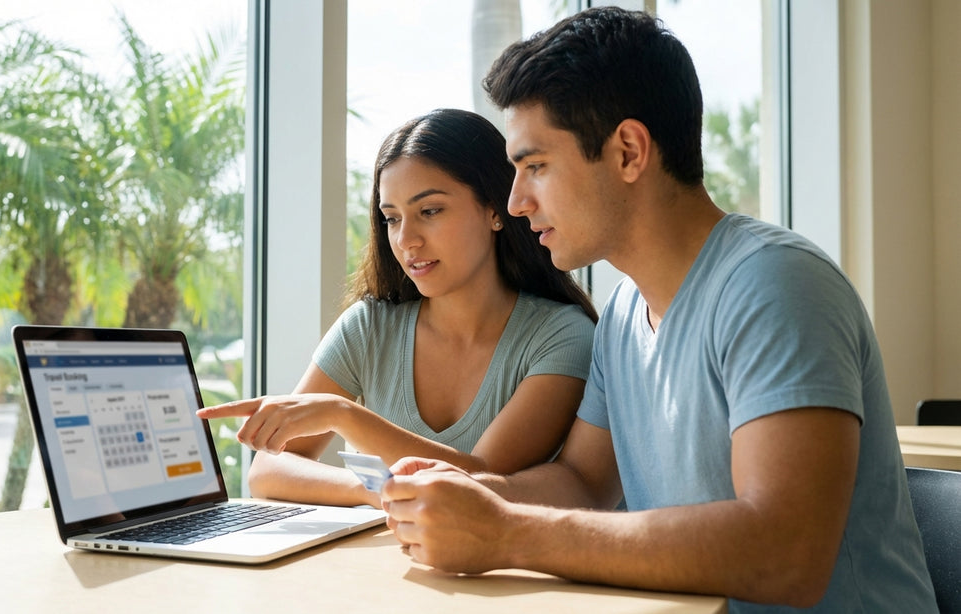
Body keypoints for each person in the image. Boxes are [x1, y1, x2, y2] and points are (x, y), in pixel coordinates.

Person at [380, 8, 936, 613]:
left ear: (627, 152)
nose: (515, 202)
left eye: (535, 166)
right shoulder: (623, 316)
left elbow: (785, 554)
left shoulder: (776, 285)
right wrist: (473, 494)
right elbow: (584, 482)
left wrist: (507, 533)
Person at [197, 108, 598, 509]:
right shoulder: (369, 326)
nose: (407, 239)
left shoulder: (562, 336)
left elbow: (476, 482)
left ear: (495, 209)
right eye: (391, 218)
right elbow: (268, 471)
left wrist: (344, 415)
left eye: (430, 211)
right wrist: (374, 490)